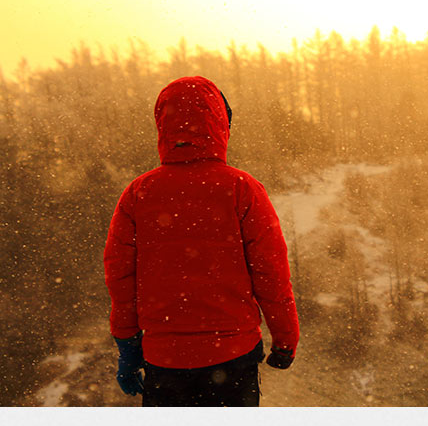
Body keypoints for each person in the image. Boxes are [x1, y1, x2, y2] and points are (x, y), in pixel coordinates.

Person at [104, 75, 299, 406]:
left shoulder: (138, 194)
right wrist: (284, 339)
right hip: (233, 358)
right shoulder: (241, 189)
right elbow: (271, 272)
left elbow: (121, 277)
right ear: (220, 124)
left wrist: (128, 346)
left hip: (164, 363)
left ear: (162, 125)